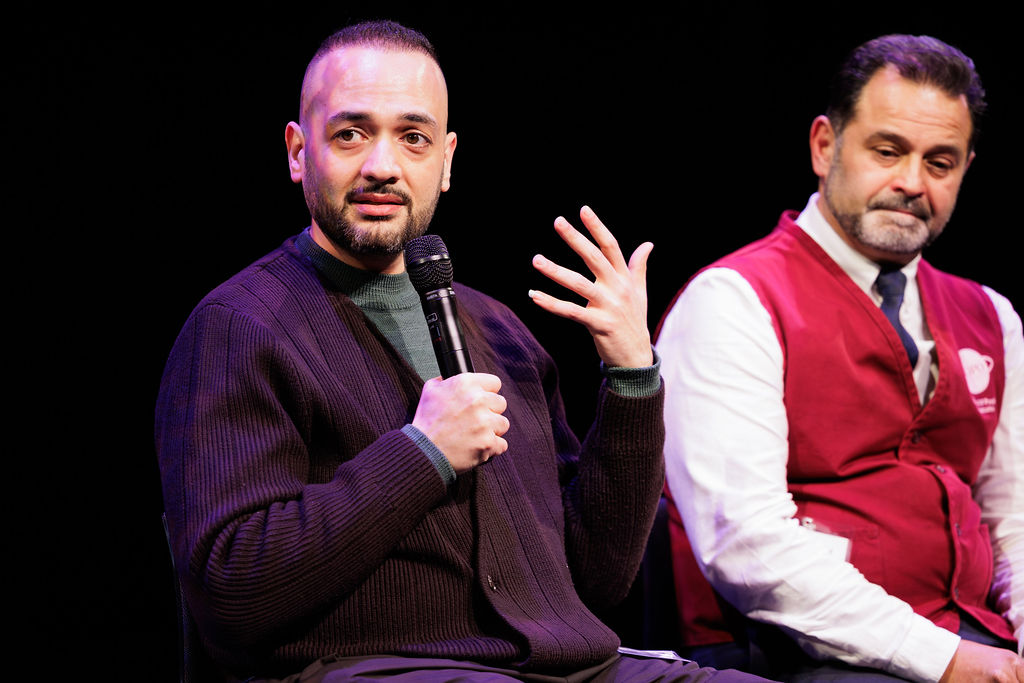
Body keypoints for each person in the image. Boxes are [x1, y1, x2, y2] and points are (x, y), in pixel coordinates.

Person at [156, 20, 765, 683]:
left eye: (412, 138)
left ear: (445, 162)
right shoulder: (238, 327)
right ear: (299, 151)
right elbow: (232, 589)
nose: (382, 165)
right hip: (374, 670)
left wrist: (631, 377)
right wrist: (422, 451)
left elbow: (597, 577)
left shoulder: (499, 330)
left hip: (568, 668)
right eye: (351, 133)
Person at [655, 34, 1023, 683]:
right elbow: (747, 544)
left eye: (940, 162)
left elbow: (1014, 517)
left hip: (970, 633)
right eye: (888, 151)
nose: (912, 183)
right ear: (825, 146)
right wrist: (945, 658)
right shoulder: (735, 301)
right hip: (787, 651)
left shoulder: (991, 315)